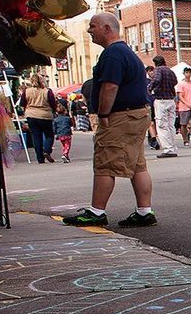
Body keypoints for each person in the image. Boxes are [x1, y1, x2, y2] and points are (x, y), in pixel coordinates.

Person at [62, 12, 158, 227]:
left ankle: (96, 212)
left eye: (93, 26)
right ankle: (144, 211)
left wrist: (103, 114)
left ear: (107, 28)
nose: (89, 30)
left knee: (105, 162)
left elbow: (110, 87)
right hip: (138, 113)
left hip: (121, 115)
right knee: (137, 164)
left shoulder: (113, 54)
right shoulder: (126, 52)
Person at [21, 71, 57, 163]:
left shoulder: (27, 91)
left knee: (36, 136)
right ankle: (47, 150)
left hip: (31, 115)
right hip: (45, 115)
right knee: (49, 135)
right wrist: (53, 111)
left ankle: (40, 158)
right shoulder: (47, 91)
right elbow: (53, 103)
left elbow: (22, 103)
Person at [149, 54, 179, 157]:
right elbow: (175, 81)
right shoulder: (170, 71)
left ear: (155, 63)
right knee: (171, 125)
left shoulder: (158, 70)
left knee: (162, 124)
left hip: (161, 100)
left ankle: (168, 149)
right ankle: (172, 146)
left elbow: (156, 79)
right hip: (171, 99)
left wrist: (150, 88)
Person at [175, 66, 191, 147]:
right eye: (187, 72)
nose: (188, 74)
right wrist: (187, 104)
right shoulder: (181, 84)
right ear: (184, 73)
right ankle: (185, 140)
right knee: (184, 124)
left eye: (189, 72)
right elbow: (180, 96)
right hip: (184, 107)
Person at [52, 93, 74, 163]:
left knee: (64, 145)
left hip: (60, 134)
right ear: (65, 111)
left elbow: (54, 128)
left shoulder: (55, 120)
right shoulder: (68, 118)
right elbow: (71, 124)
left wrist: (55, 134)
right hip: (67, 133)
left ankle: (66, 156)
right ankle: (65, 154)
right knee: (68, 144)